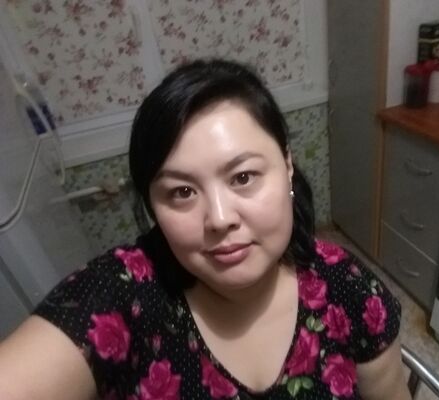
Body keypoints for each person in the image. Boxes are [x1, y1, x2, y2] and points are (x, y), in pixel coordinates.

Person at [0, 59, 411, 399]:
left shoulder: (345, 285)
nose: (218, 218)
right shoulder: (120, 298)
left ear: (287, 164)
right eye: (182, 192)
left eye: (243, 177)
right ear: (152, 206)